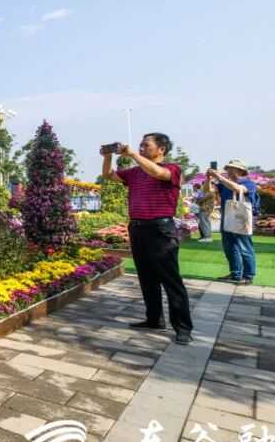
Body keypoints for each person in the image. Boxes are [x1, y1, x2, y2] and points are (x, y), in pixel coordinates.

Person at [102, 133, 194, 344]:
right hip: (138, 228)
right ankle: (154, 319)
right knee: (146, 277)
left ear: (161, 149)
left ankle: (183, 328)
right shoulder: (135, 172)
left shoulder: (172, 168)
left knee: (170, 279)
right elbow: (109, 175)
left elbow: (158, 173)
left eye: (146, 145)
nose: (141, 148)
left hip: (160, 229)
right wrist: (107, 156)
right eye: (140, 145)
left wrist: (132, 154)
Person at [206, 159, 259, 285]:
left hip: (242, 218)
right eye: (228, 168)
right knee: (229, 247)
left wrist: (219, 177)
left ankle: (248, 276)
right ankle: (235, 273)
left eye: (231, 168)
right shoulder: (224, 183)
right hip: (227, 217)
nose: (228, 170)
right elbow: (208, 190)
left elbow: (237, 189)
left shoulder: (249, 183)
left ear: (240, 170)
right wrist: (208, 178)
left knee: (245, 247)